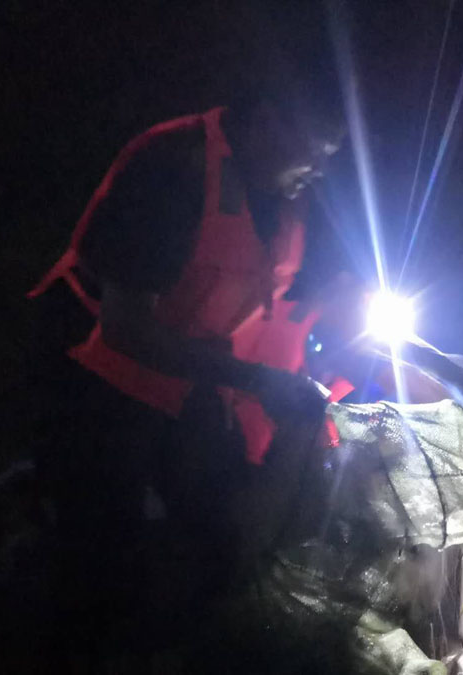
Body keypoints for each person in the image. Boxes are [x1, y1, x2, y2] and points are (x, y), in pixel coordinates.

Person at [20, 83, 345, 670]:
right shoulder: (174, 165)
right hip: (94, 370)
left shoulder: (283, 191)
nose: (320, 170)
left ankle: (174, 647)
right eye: (315, 151)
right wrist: (254, 380)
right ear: (266, 121)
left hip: (186, 375)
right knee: (96, 555)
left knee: (219, 533)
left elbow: (290, 290)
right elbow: (125, 328)